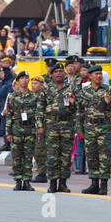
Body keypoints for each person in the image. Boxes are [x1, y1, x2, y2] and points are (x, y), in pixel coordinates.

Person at [77, 65, 111, 195]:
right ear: (90, 76)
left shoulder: (108, 90)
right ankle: (94, 183)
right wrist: (80, 129)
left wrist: (109, 102)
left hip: (103, 127)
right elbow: (80, 111)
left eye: (100, 74)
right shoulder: (85, 91)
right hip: (89, 127)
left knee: (104, 156)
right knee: (91, 155)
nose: (99, 76)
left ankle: (104, 185)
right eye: (96, 74)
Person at [36, 64, 77, 193]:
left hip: (67, 125)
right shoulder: (46, 89)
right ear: (51, 75)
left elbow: (77, 109)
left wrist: (73, 104)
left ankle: (63, 183)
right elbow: (39, 109)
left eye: (61, 71)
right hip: (51, 125)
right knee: (52, 155)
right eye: (56, 72)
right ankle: (52, 183)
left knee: (65, 156)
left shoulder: (71, 88)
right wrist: (40, 126)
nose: (59, 73)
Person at [5, 71, 39, 191]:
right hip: (16, 128)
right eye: (22, 78)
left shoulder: (34, 96)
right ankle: (18, 180)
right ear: (18, 81)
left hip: (29, 129)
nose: (25, 80)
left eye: (26, 78)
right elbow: (8, 115)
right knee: (17, 156)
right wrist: (8, 132)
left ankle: (27, 181)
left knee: (28, 156)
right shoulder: (12, 97)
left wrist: (38, 128)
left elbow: (37, 114)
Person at [29, 76, 47, 183]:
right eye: (32, 83)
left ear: (41, 85)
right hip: (31, 126)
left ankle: (42, 173)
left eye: (36, 84)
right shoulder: (31, 96)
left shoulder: (44, 96)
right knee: (34, 150)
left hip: (42, 126)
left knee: (40, 150)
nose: (33, 86)